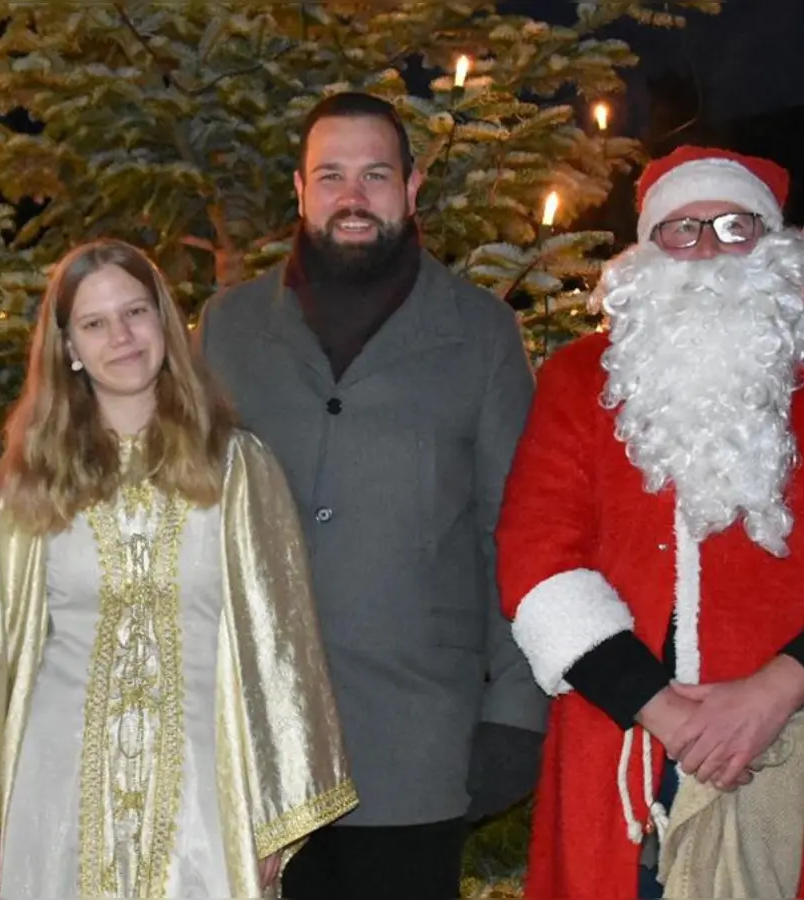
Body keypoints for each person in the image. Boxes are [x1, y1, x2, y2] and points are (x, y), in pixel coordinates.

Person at [496, 146, 804, 899]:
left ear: (775, 244)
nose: (707, 249)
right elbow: (537, 556)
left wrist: (775, 692)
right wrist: (662, 711)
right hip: (623, 740)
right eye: (683, 229)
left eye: (736, 227)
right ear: (649, 249)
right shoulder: (579, 379)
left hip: (786, 734)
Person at [0, 239, 355, 899]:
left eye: (135, 312)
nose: (120, 337)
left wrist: (274, 807)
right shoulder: (31, 479)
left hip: (207, 797)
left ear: (164, 323)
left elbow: (282, 645)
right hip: (54, 795)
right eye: (95, 323)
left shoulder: (238, 467)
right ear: (68, 346)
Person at [197, 91, 547, 900]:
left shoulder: (481, 334)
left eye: (375, 175)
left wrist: (515, 714)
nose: (352, 196)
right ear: (300, 190)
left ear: (412, 188)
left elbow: (517, 533)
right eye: (331, 176)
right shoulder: (227, 328)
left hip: (415, 754)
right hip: (247, 747)